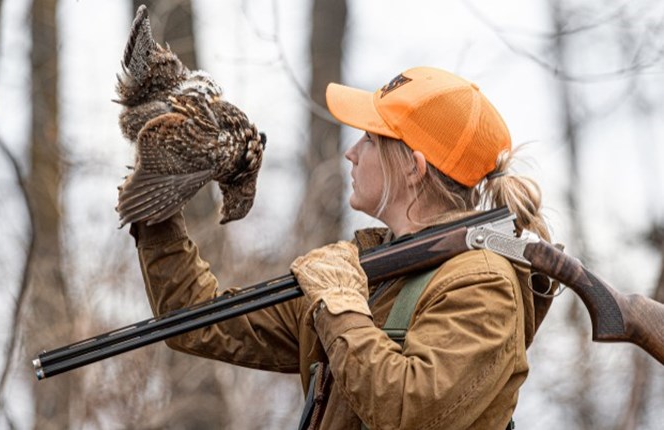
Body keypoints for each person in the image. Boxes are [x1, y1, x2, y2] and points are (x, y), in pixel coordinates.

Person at [127, 66, 554, 429]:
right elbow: (197, 320)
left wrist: (339, 303)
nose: (352, 152)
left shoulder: (481, 284)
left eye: (370, 139)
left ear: (413, 167)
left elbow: (407, 410)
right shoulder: (371, 272)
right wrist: (160, 191)